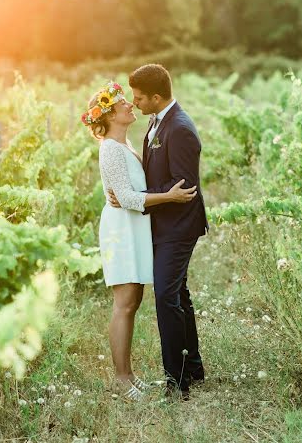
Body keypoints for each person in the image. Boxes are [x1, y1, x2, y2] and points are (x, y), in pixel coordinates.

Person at [81, 81, 197, 401]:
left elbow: (129, 193)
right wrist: (169, 197)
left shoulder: (127, 144)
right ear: (109, 115)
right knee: (125, 303)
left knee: (133, 302)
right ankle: (120, 378)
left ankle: (129, 375)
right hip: (121, 229)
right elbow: (128, 199)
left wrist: (139, 196)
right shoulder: (110, 149)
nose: (130, 104)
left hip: (132, 227)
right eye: (122, 103)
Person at [109, 65, 208, 400]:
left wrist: (138, 202)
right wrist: (129, 195)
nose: (134, 103)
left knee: (166, 296)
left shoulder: (179, 128)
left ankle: (176, 382)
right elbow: (152, 176)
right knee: (178, 294)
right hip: (162, 224)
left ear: (156, 96)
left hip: (179, 226)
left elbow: (184, 187)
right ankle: (192, 368)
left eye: (139, 97)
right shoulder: (155, 121)